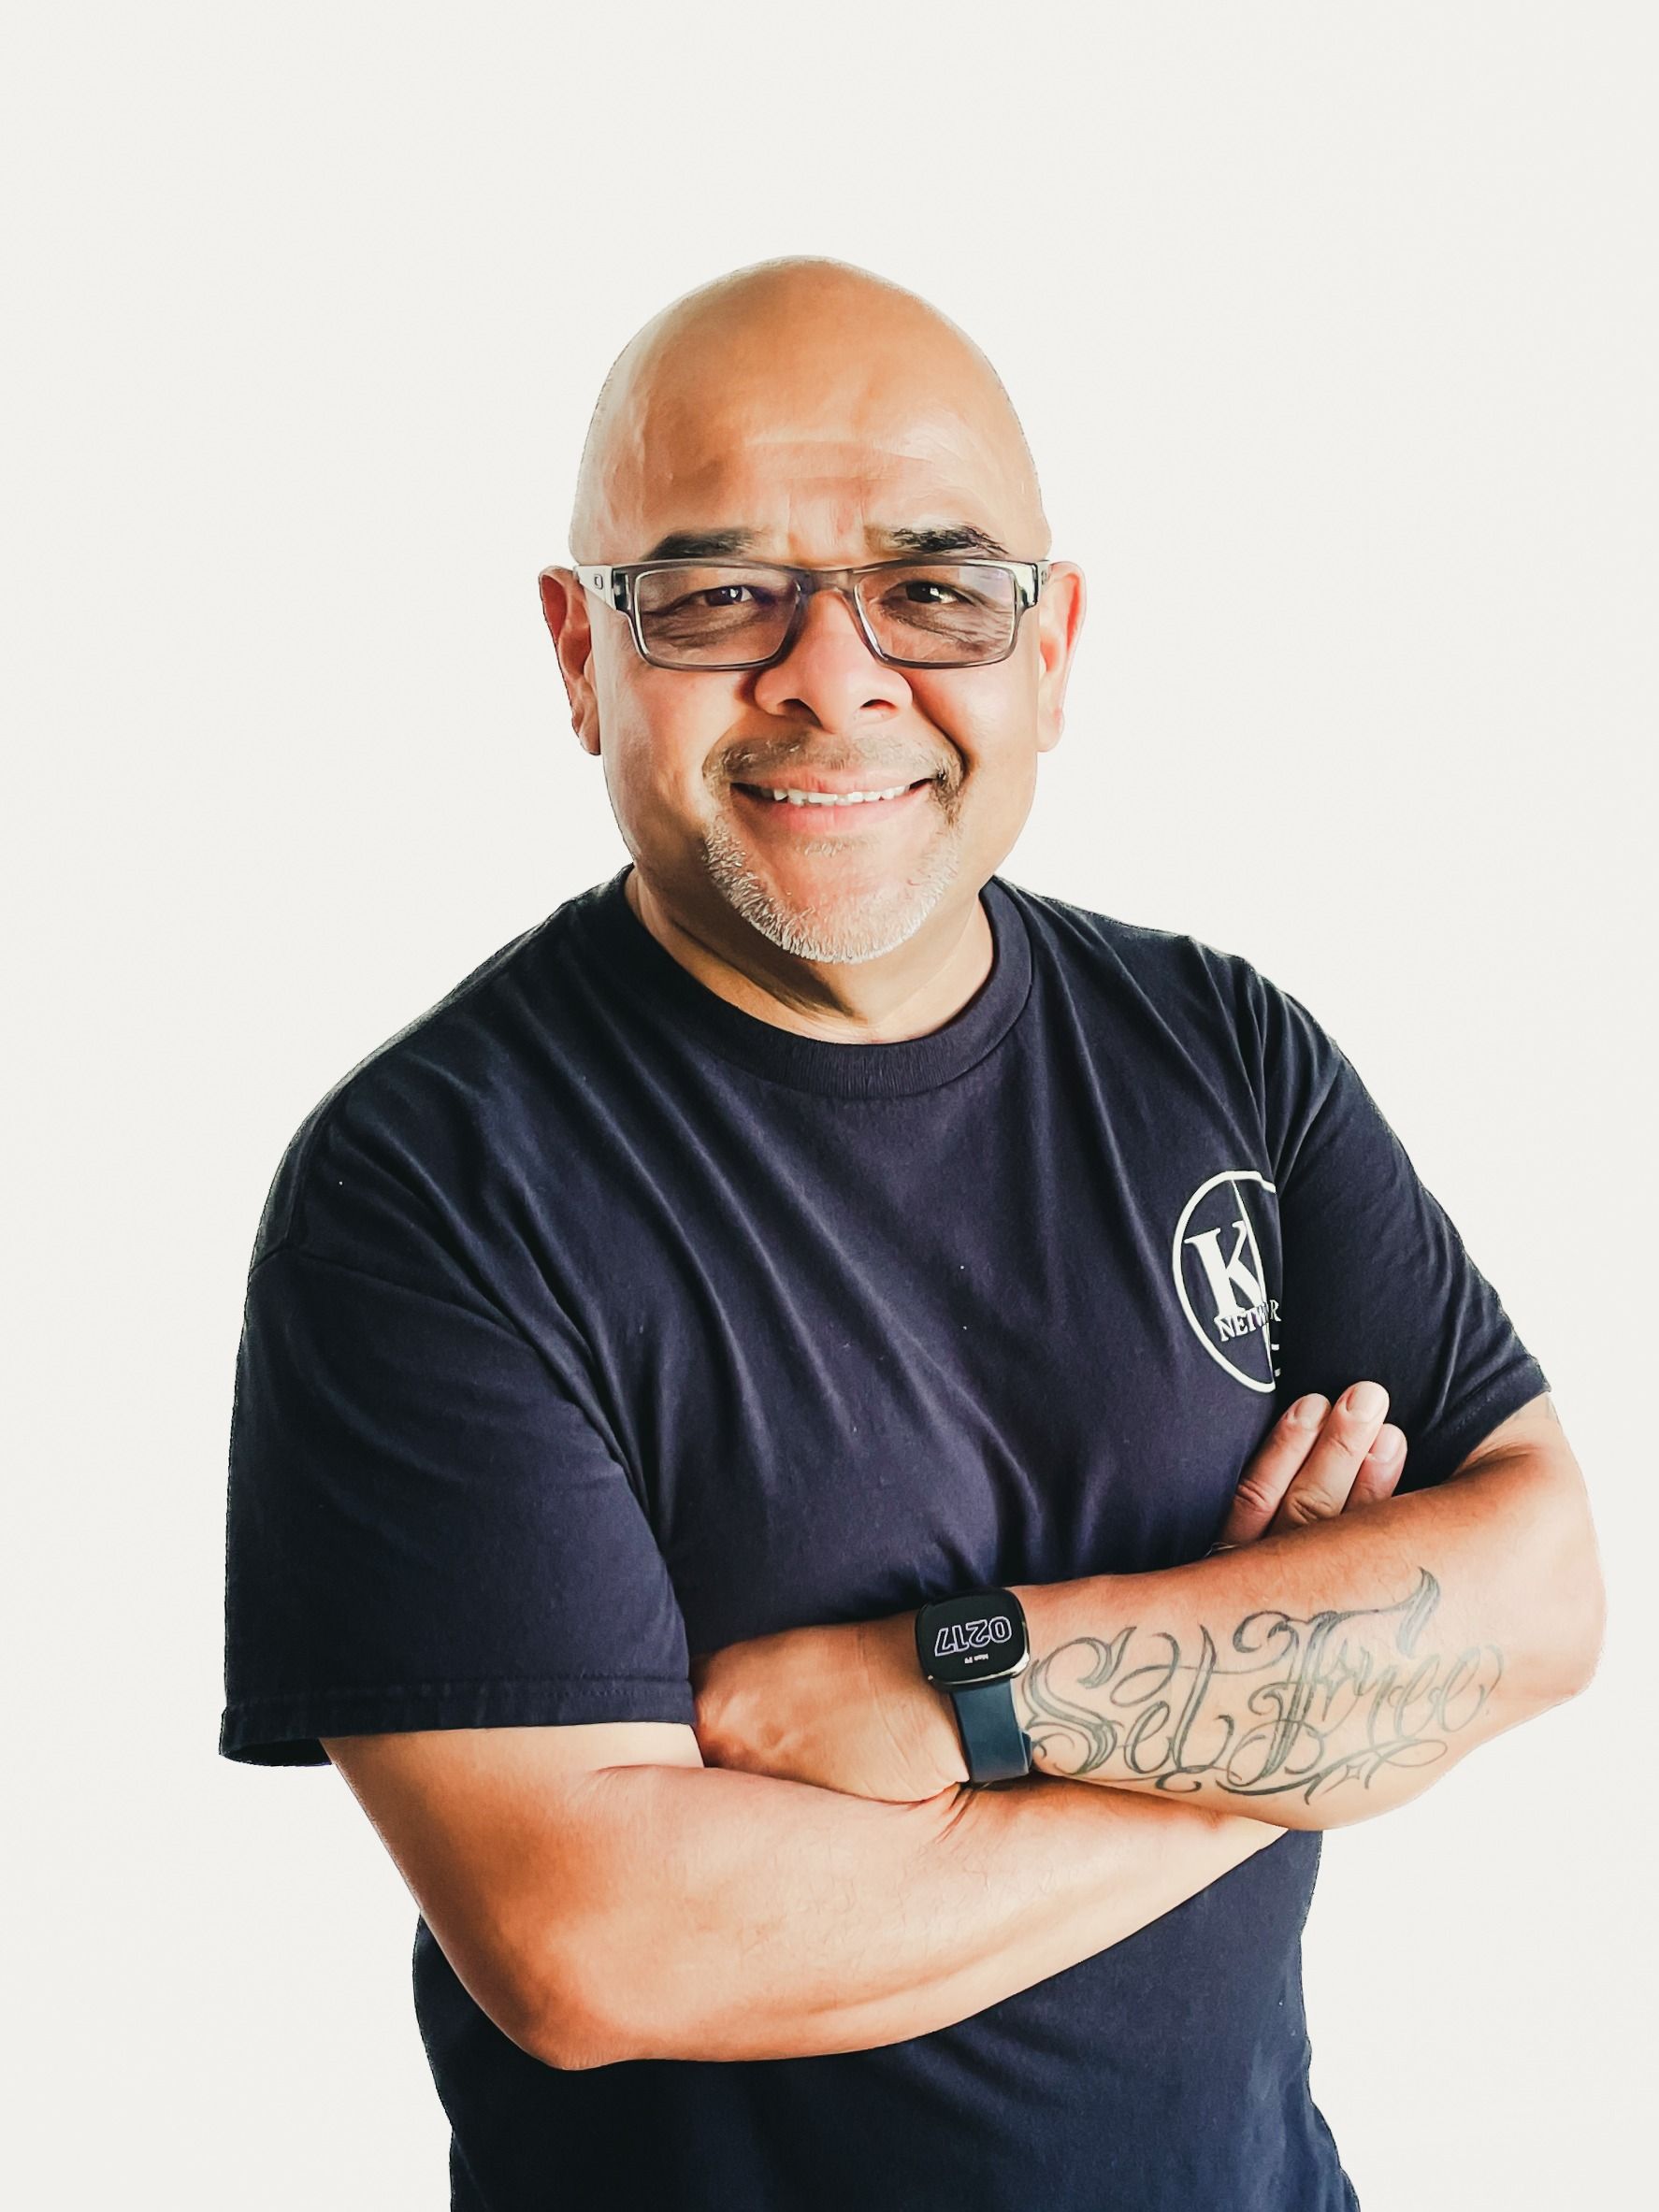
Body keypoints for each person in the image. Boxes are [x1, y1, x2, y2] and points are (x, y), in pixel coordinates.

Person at [218, 255, 1605, 2212]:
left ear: (1049, 647)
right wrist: (1295, 1722)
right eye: (716, 596)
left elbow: (1537, 1588)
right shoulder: (432, 1188)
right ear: (575, 649)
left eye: (932, 591)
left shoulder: (1222, 1053)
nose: (834, 676)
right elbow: (594, 1941)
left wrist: (956, 1684)